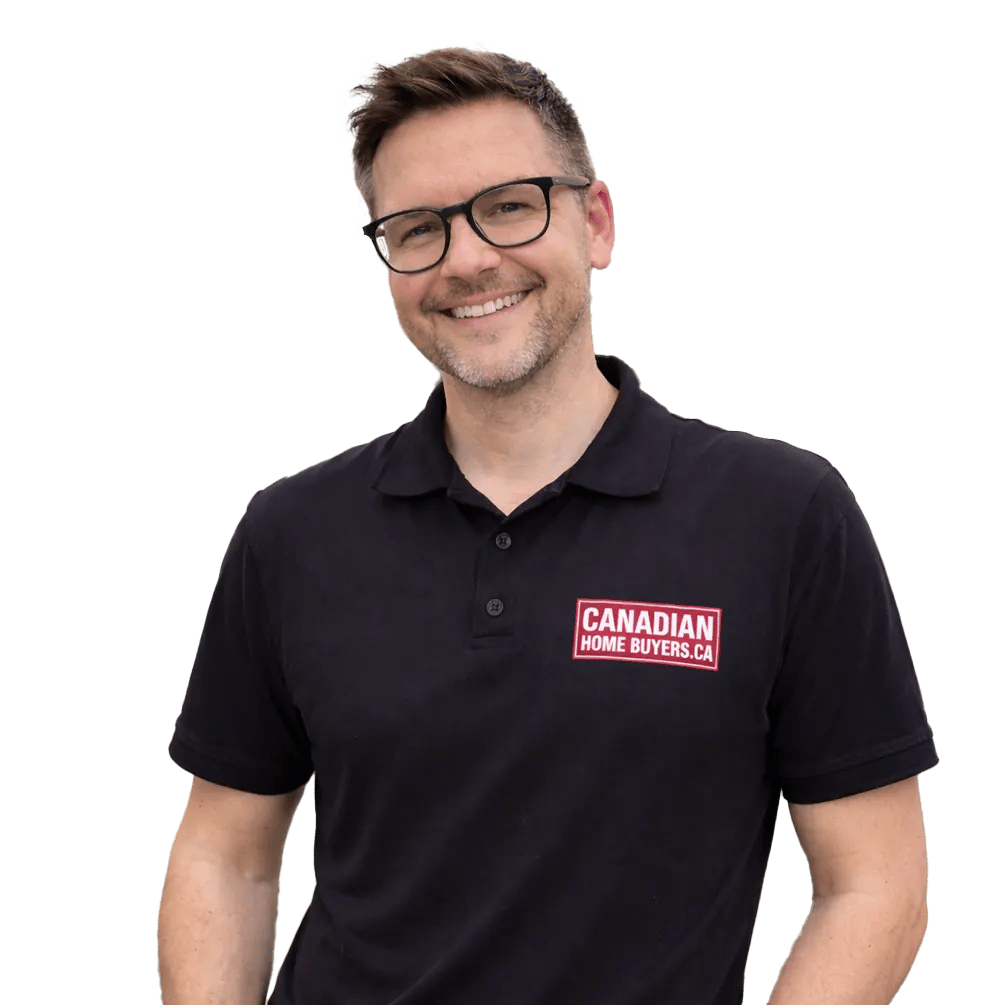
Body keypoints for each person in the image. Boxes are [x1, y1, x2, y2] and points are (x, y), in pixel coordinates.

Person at [157, 42, 937, 1005]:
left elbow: (874, 883)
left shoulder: (782, 513)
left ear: (596, 220)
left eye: (510, 205)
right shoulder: (290, 531)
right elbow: (224, 856)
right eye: (415, 228)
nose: (469, 257)